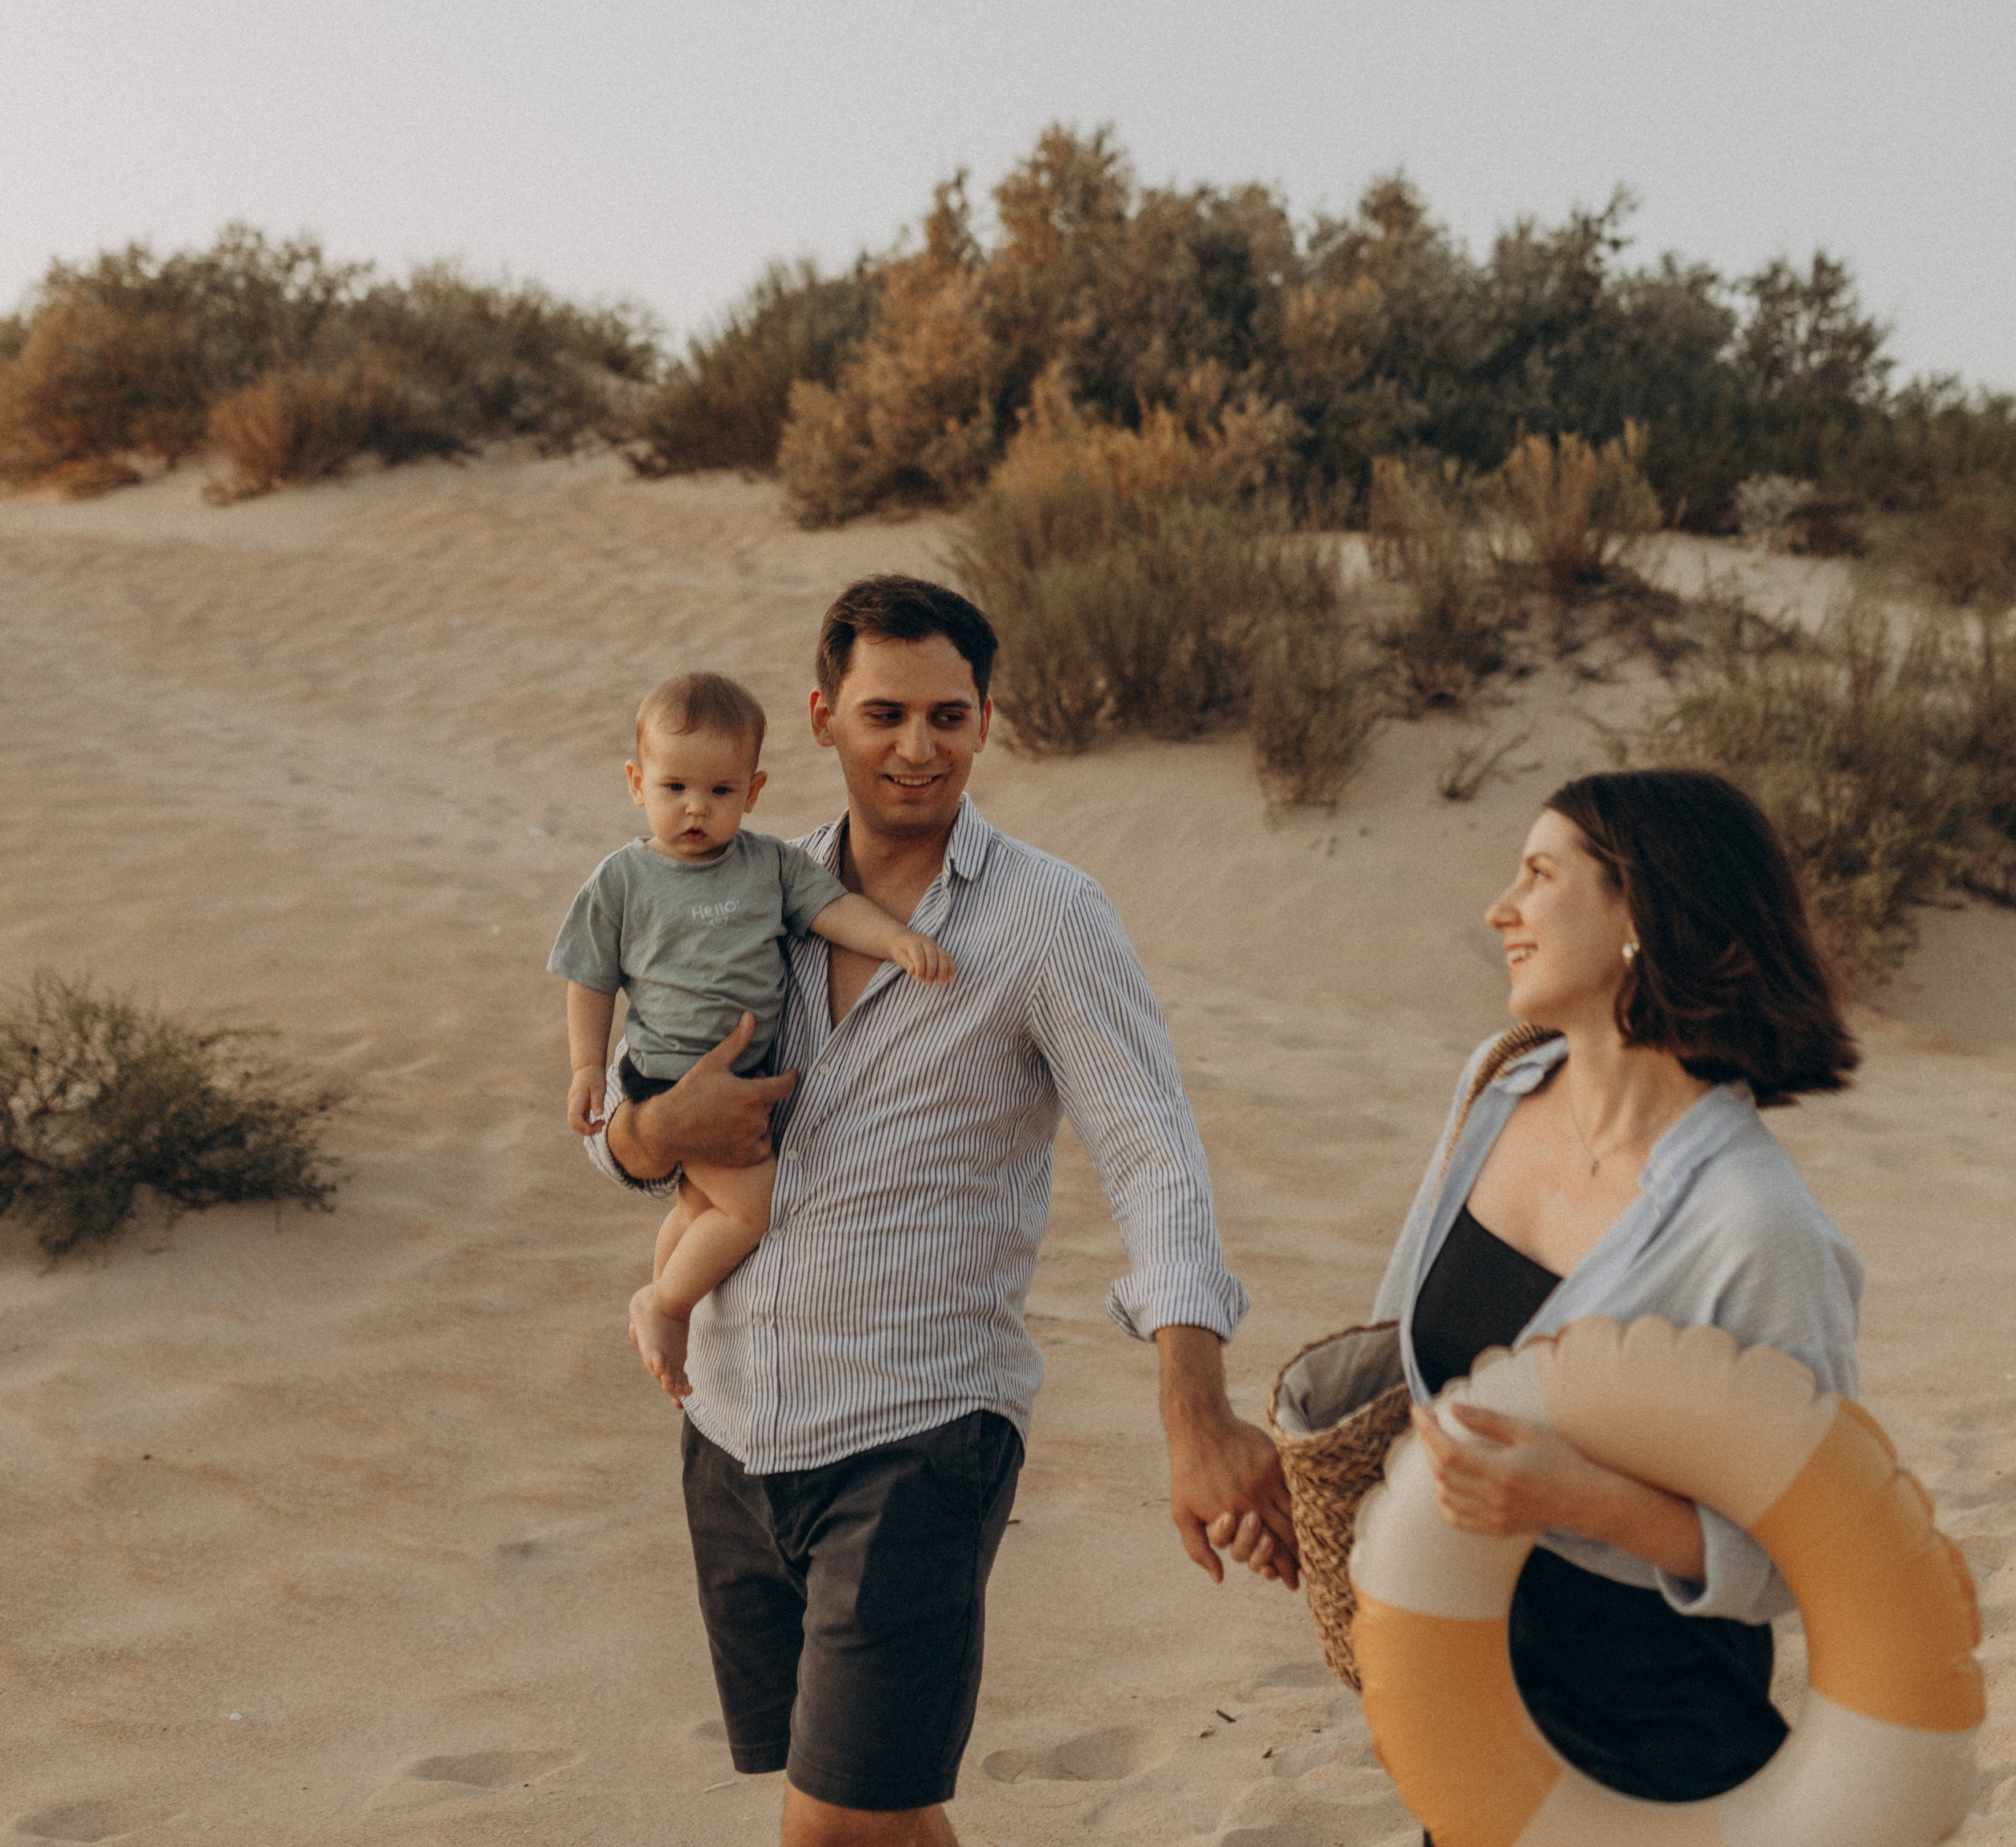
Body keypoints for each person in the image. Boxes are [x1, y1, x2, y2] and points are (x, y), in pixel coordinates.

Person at [585, 576, 1295, 1847]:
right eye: (884, 714)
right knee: (887, 1819)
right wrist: (647, 1132)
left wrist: (1195, 1411)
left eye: (949, 716)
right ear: (818, 719)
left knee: (836, 1826)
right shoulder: (740, 891)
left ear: (986, 722)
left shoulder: (1048, 918)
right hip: (737, 1429)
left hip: (921, 1433)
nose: (919, 747)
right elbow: (630, 1132)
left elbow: (1153, 1157)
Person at [1222, 768, 1860, 1827]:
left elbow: (1811, 1547)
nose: (1498, 908)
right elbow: (1402, 1371)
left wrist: (1580, 1499)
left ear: (1638, 915)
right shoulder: (1501, 1084)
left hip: (1651, 1729)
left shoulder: (1756, 1222)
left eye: (1538, 874)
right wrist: (1313, 1493)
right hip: (1467, 1698)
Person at [549, 668, 956, 1404]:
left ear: (754, 792)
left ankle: (670, 1301)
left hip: (745, 1083)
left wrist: (897, 940)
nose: (696, 810)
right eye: (675, 790)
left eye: (720, 793)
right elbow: (589, 976)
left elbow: (834, 912)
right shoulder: (622, 880)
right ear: (638, 783)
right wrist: (585, 1068)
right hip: (666, 1077)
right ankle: (665, 1305)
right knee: (748, 1209)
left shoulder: (769, 866)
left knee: (701, 1209)